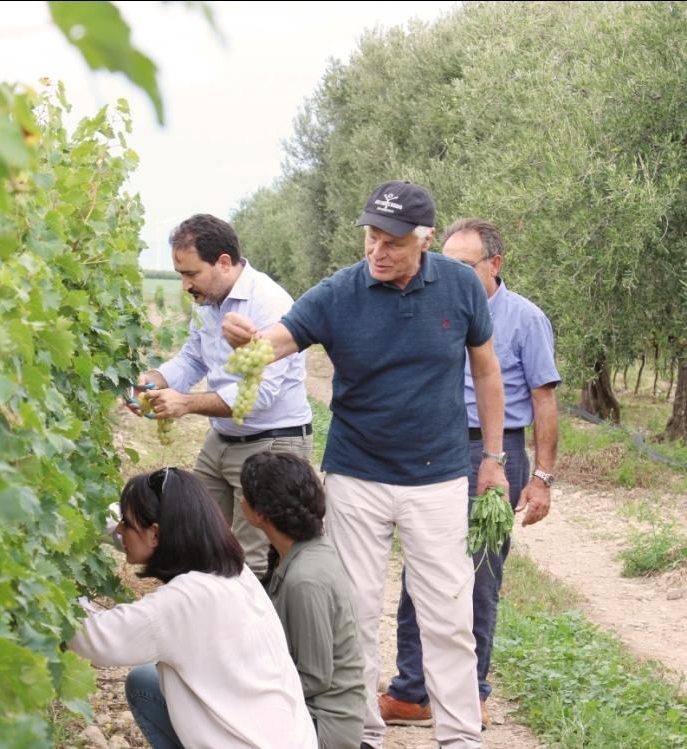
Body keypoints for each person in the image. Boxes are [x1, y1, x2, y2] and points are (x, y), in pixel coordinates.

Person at [223, 180, 509, 749]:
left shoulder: (458, 286)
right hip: (357, 476)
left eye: (392, 242)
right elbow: (280, 340)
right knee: (352, 612)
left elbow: (486, 371)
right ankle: (363, 736)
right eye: (371, 238)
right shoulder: (340, 293)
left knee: (448, 616)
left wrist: (495, 458)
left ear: (424, 239)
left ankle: (460, 737)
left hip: (440, 476)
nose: (377, 251)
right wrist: (249, 342)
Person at [380, 218, 561, 729]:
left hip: (494, 451)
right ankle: (412, 693)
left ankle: (471, 693)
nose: (449, 274)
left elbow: (545, 400)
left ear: (494, 265)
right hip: (430, 449)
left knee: (479, 575)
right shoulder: (435, 309)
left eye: (464, 265)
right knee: (419, 569)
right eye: (446, 263)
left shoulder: (525, 319)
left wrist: (542, 477)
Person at [70, 467, 318, 749]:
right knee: (145, 682)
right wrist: (82, 518)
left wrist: (54, 581)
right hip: (288, 739)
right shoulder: (232, 571)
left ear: (155, 534)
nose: (119, 530)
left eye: (125, 523)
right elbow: (131, 535)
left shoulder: (186, 600)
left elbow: (94, 638)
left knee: (145, 680)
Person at [130, 214, 313, 576]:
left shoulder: (269, 303)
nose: (185, 285)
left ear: (224, 262)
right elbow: (193, 359)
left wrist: (185, 404)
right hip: (223, 438)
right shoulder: (209, 303)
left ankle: (254, 631)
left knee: (251, 559)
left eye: (191, 274)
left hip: (271, 444)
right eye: (181, 274)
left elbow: (260, 395)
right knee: (195, 537)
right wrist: (153, 380)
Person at [240, 451, 366, 749]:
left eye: (244, 495)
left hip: (320, 724)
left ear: (260, 515)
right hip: (304, 713)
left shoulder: (304, 580)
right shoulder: (300, 552)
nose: (239, 500)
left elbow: (314, 677)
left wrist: (238, 685)